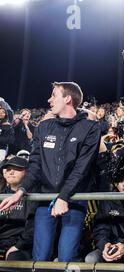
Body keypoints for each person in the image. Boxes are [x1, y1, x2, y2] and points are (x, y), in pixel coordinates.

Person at [0, 82, 101, 262]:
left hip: (73, 200)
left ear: (68, 99)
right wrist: (21, 192)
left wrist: (63, 198)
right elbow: (36, 164)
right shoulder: (44, 127)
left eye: (54, 95)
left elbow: (82, 168)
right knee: (40, 257)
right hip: (44, 199)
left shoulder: (90, 128)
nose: (49, 99)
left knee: (66, 257)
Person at [0, 155, 36, 261]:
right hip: (2, 242)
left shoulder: (34, 197)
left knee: (14, 257)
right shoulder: (1, 194)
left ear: (27, 173)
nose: (11, 172)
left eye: (17, 169)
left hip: (22, 246)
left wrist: (18, 246)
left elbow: (32, 228)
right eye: (8, 169)